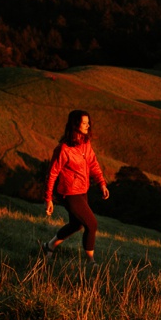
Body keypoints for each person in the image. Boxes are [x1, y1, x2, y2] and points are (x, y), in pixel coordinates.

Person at [42, 109, 110, 264]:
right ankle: (90, 262)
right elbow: (52, 174)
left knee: (76, 224)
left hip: (83, 190)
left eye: (88, 122)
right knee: (92, 224)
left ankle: (49, 246)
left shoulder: (85, 143)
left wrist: (102, 183)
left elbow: (93, 164)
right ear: (75, 124)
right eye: (84, 123)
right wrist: (48, 199)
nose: (88, 126)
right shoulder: (63, 149)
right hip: (69, 193)